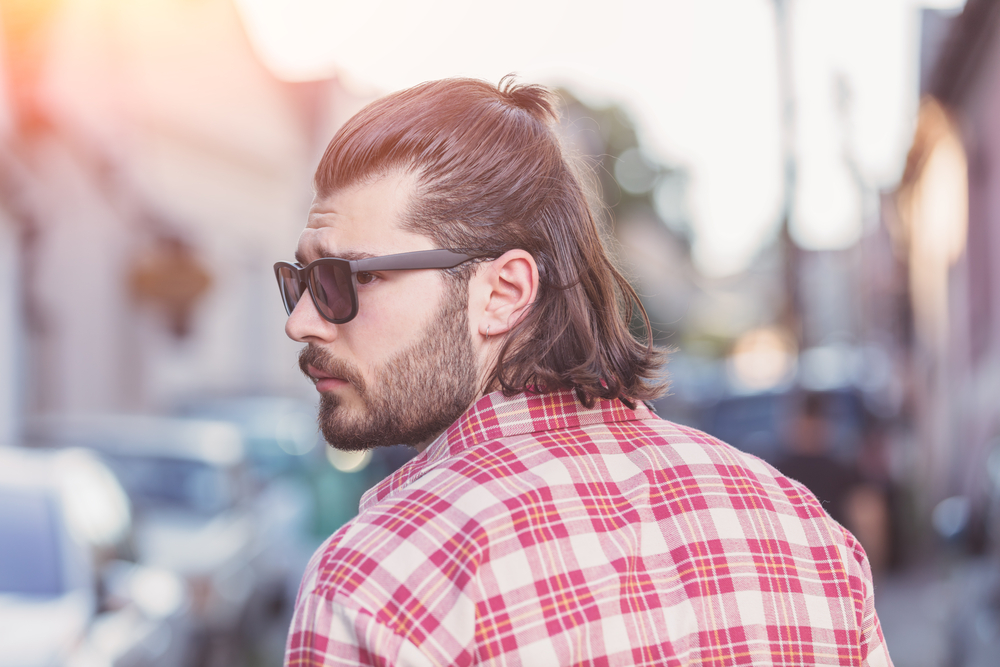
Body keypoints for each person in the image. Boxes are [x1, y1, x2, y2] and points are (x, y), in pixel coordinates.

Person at [276, 77, 893, 666]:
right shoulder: (805, 535)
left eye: (342, 279)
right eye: (298, 281)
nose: (301, 320)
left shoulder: (380, 583)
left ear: (503, 292)